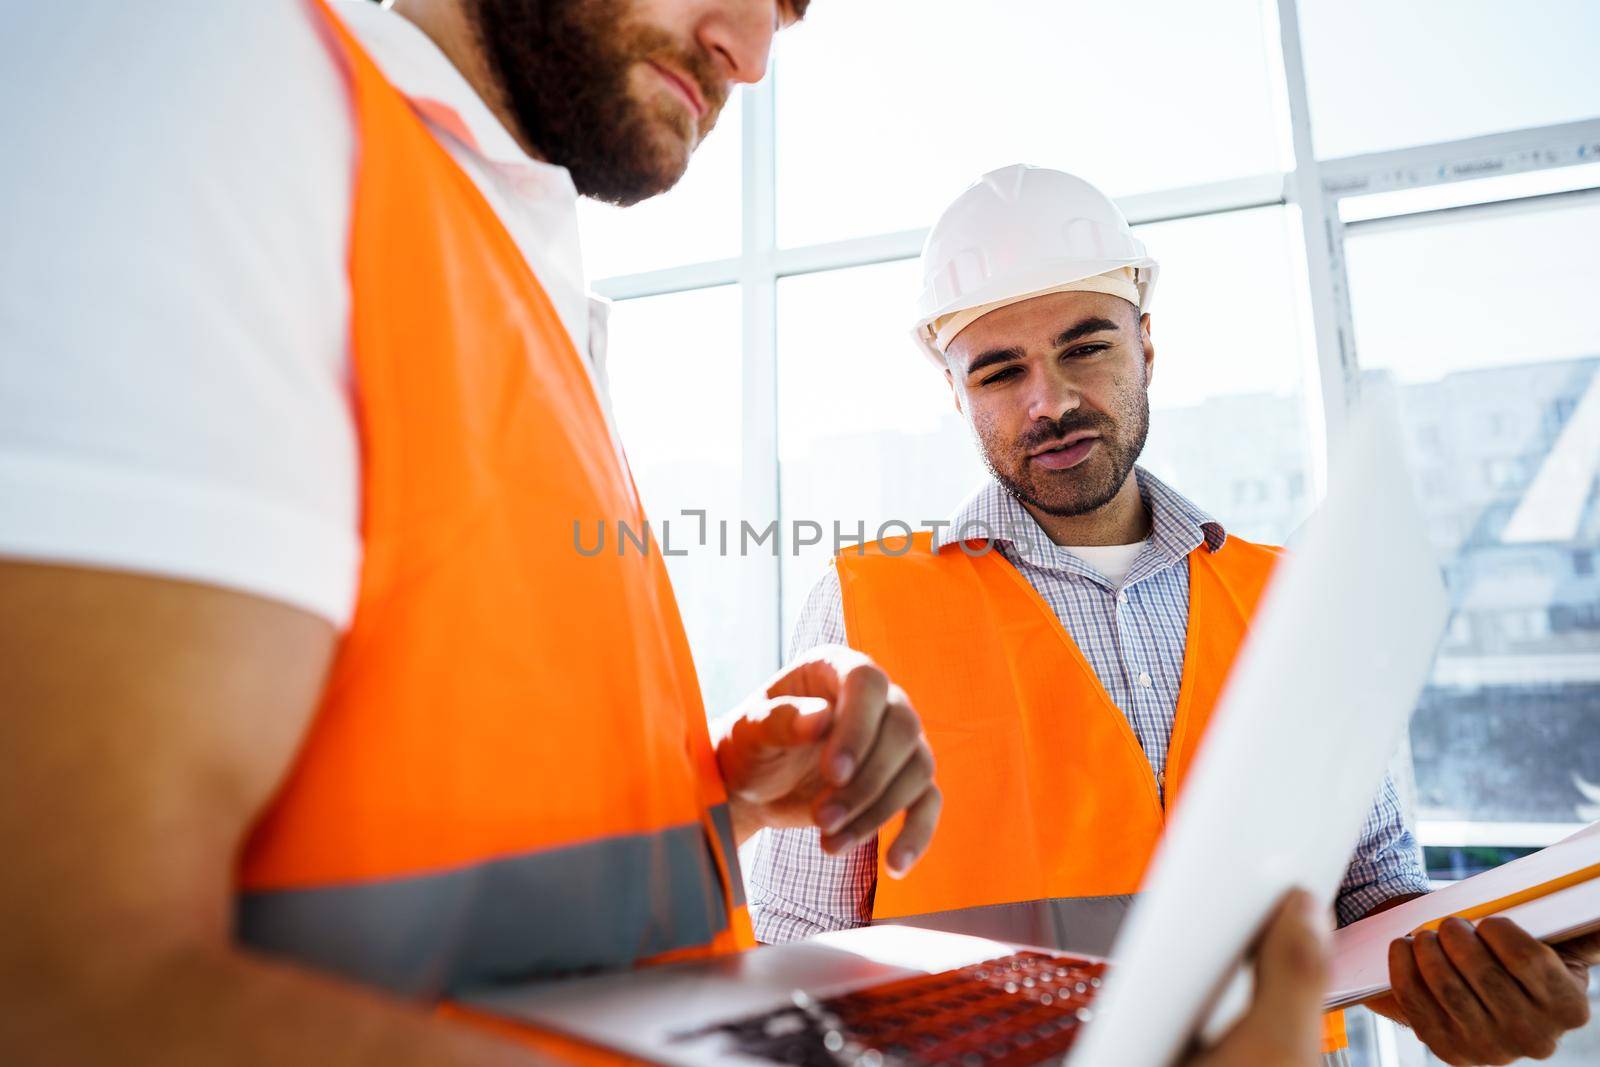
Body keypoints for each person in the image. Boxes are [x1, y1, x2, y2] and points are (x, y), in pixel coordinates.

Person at [0, 1, 941, 1062]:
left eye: (787, 8)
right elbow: (53, 991)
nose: (752, 52)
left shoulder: (499, 235)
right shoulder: (209, 86)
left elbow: (429, 870)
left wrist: (722, 808)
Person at [749, 165, 1598, 1066]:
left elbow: (1370, 894)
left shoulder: (1292, 599)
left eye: (1086, 348)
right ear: (957, 393)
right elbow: (795, 947)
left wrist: (1467, 982)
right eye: (1001, 371)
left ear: (1147, 345)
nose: (1051, 402)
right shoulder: (862, 607)